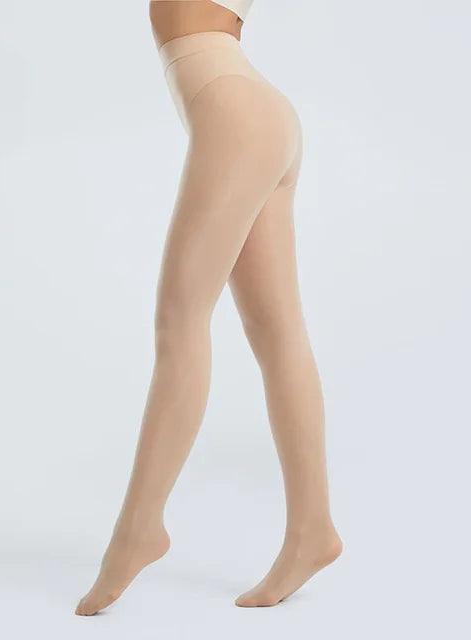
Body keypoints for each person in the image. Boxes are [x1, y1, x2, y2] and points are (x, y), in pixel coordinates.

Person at [75, 0, 342, 614]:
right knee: (277, 332)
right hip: (249, 106)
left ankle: (138, 528)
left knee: (181, 322)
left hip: (235, 110)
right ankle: (313, 528)